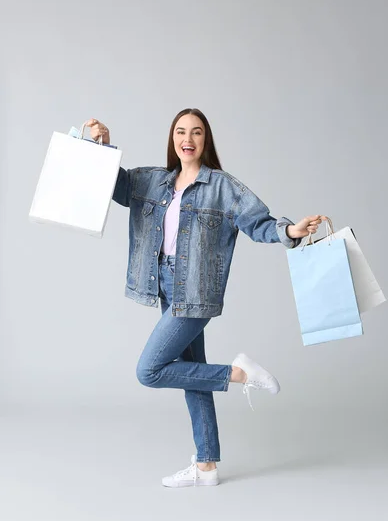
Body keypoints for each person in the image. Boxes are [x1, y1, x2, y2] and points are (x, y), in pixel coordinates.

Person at [85, 109, 325, 488]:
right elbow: (117, 186)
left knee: (149, 370)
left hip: (195, 289)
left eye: (196, 132)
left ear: (205, 140)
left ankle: (241, 373)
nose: (188, 139)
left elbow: (258, 223)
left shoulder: (221, 187)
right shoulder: (154, 181)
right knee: (192, 373)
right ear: (172, 138)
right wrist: (102, 145)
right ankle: (207, 466)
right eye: (181, 131)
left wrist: (290, 230)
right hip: (163, 283)